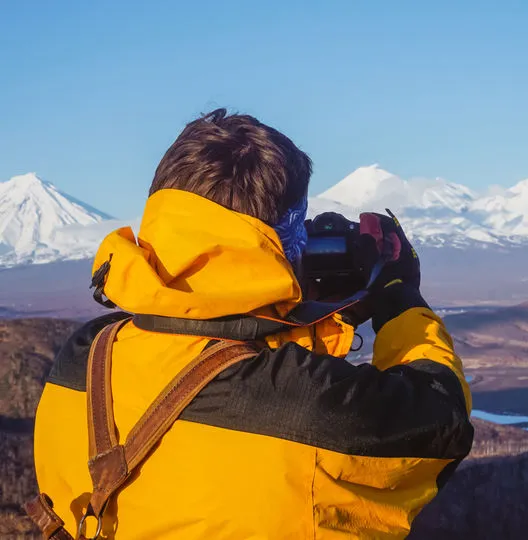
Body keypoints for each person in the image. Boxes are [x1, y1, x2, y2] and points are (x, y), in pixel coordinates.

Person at [30, 108, 473, 539]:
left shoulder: (84, 356)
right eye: (298, 228)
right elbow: (441, 419)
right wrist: (399, 298)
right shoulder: (312, 408)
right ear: (271, 240)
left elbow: (217, 365)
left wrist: (302, 314)